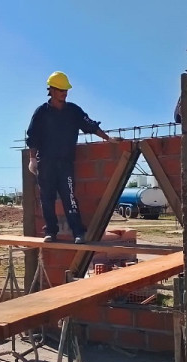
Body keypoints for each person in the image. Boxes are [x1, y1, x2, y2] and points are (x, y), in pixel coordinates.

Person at [26, 71, 119, 244]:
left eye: (66, 90)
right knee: (47, 199)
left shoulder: (73, 111)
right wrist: (32, 160)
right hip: (45, 163)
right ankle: (51, 232)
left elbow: (90, 125)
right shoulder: (41, 113)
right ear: (52, 90)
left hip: (65, 163)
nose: (64, 93)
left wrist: (108, 138)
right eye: (61, 90)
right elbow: (33, 137)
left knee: (69, 197)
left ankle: (78, 232)